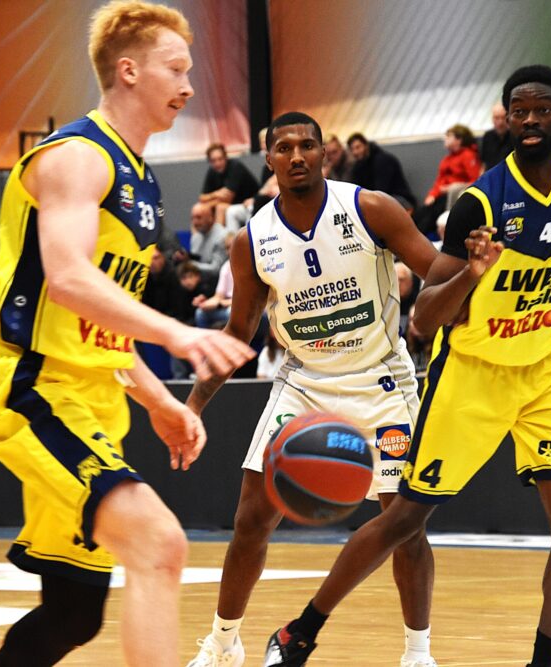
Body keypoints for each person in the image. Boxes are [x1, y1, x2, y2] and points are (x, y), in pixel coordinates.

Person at [264, 65, 551, 667]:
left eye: (542, 109)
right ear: (507, 120)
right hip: (474, 372)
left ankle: (544, 661)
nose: (530, 120)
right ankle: (302, 629)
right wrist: (474, 273)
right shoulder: (480, 200)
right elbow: (425, 316)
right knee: (404, 519)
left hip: (550, 370)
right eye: (519, 111)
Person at [0, 4, 255, 666]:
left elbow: (101, 323)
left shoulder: (141, 180)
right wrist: (177, 333)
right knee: (160, 544)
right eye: (175, 69)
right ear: (128, 70)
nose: (189, 86)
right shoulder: (77, 157)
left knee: (73, 613)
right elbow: (69, 277)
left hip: (94, 396)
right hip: (36, 389)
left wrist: (159, 401)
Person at [184, 111, 440, 667]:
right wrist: (194, 405)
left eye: (307, 145)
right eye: (284, 148)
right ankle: (223, 642)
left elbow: (436, 270)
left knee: (406, 526)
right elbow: (237, 332)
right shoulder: (252, 240)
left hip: (381, 380)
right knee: (251, 518)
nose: (296, 156)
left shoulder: (371, 208)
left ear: (326, 152)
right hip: (304, 382)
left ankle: (418, 653)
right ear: (269, 160)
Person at [414, 124, 482, 236]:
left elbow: (475, 180)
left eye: (449, 136)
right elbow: (439, 181)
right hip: (441, 196)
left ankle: (418, 237)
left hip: (454, 196)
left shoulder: (468, 156)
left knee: (429, 218)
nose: (445, 139)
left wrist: (452, 187)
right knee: (420, 213)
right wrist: (432, 195)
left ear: (459, 140)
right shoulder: (447, 159)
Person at [347, 132, 417, 210]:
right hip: (381, 200)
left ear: (366, 145)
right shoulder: (358, 167)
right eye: (352, 149)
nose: (355, 152)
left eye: (358, 147)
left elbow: (382, 191)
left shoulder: (382, 160)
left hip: (399, 199)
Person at [200, 143, 260, 228]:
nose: (217, 163)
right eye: (213, 161)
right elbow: (202, 197)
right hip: (234, 204)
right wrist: (216, 194)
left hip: (249, 204)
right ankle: (198, 237)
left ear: (226, 157)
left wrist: (208, 204)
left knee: (220, 208)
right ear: (209, 161)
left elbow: (227, 199)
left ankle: (219, 236)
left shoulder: (235, 167)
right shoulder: (212, 171)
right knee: (198, 209)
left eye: (220, 159)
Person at [480, 101, 513, 170]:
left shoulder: (515, 137)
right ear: (492, 119)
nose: (500, 122)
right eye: (497, 118)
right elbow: (484, 164)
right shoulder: (487, 137)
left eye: (503, 118)